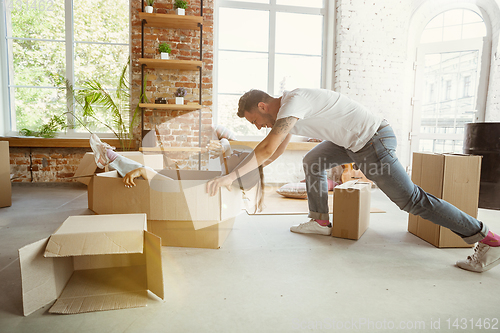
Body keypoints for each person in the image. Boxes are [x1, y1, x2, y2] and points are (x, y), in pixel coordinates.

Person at [205, 88, 500, 273]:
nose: (258, 127)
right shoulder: (290, 113)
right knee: (312, 161)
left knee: (411, 200)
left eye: (254, 121)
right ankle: (320, 221)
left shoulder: (294, 101)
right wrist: (239, 179)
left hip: (373, 140)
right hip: (351, 143)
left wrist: (231, 175)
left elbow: (268, 146)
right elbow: (272, 154)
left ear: (262, 106)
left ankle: (486, 238)